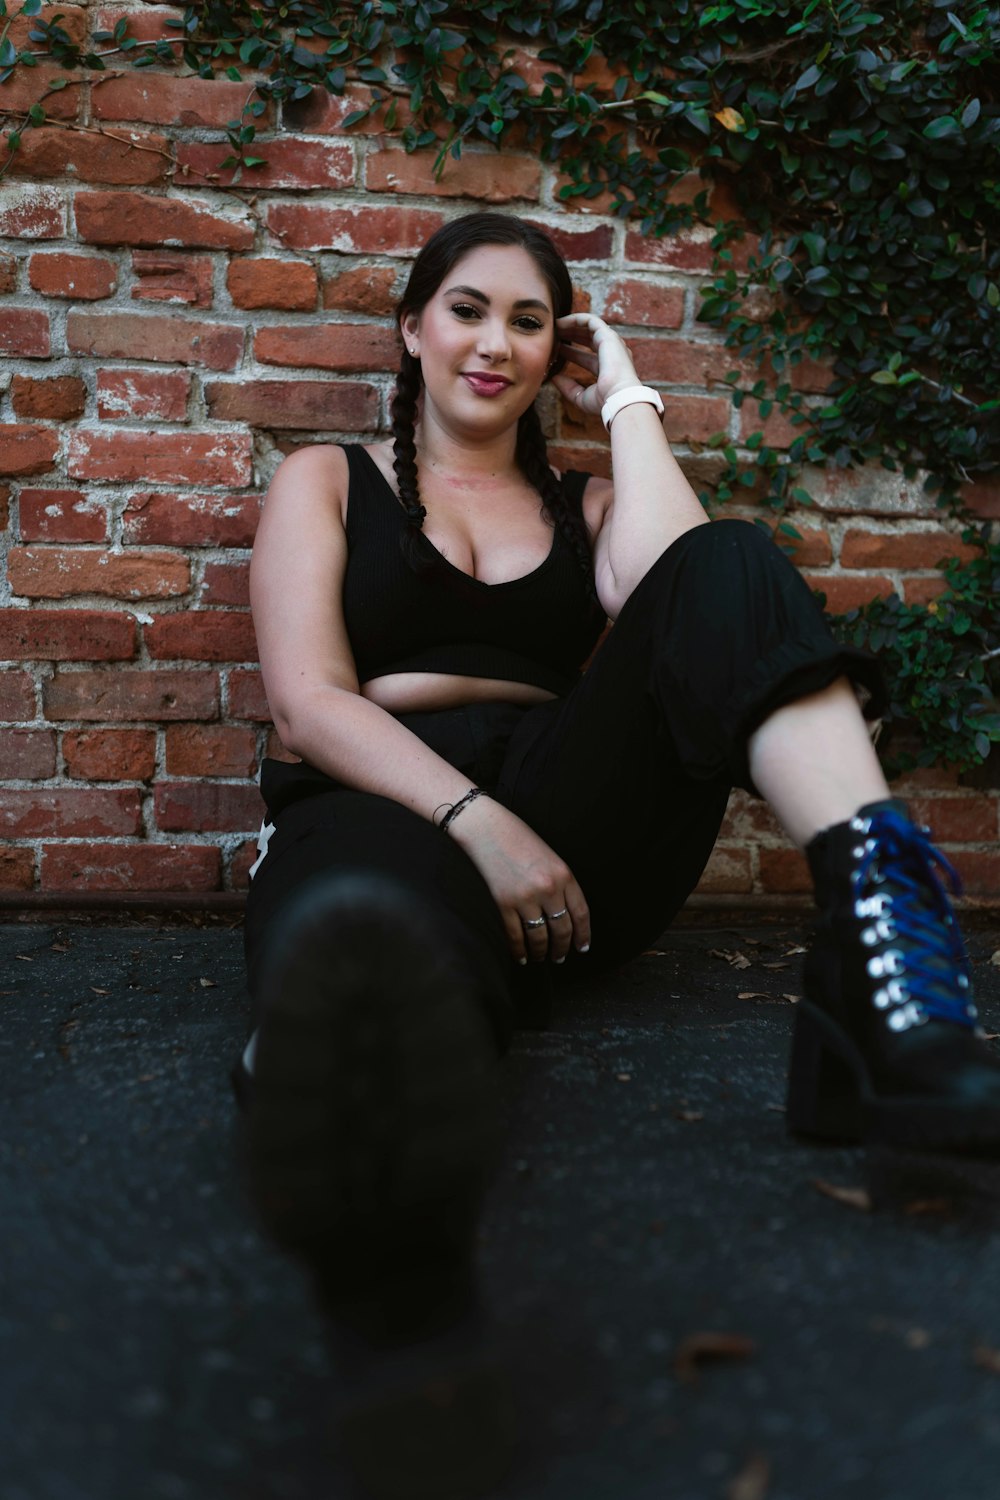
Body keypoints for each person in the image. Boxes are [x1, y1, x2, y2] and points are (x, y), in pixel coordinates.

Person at [233, 210, 1000, 1362]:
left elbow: (687, 598)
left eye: (529, 322)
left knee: (730, 559)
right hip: (387, 807)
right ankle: (378, 1114)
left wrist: (629, 399)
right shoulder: (327, 481)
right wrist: (473, 819)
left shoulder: (584, 505)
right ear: (411, 329)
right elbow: (306, 700)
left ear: (557, 356)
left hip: (573, 838)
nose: (495, 342)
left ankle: (884, 951)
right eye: (468, 309)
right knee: (369, 932)